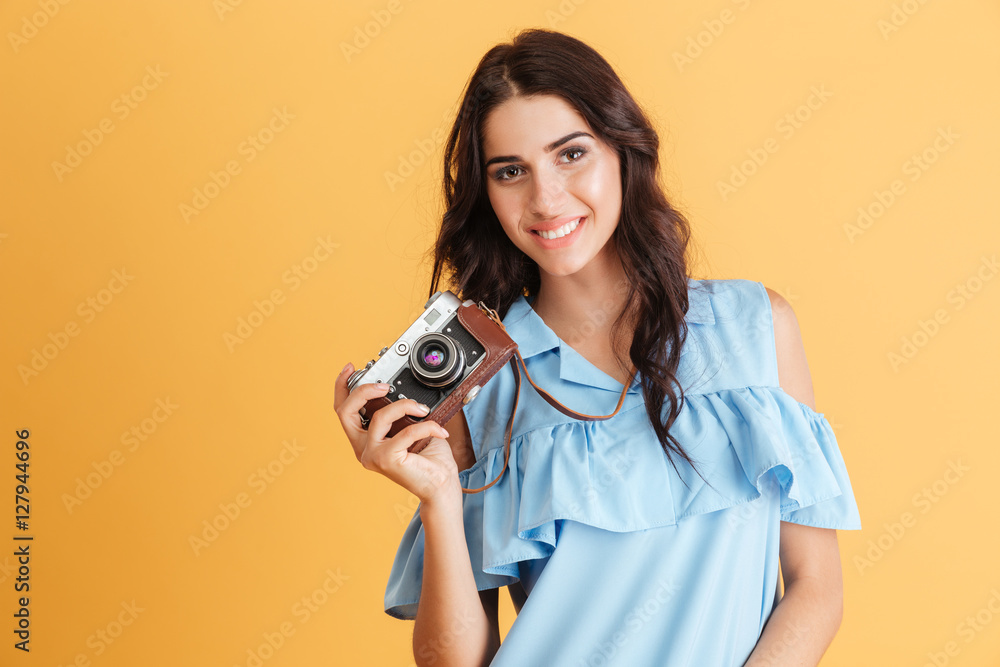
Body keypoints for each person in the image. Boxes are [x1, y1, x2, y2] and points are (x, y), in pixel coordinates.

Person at [335, 28, 862, 667]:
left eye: (571, 154)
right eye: (510, 171)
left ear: (622, 150)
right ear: (488, 194)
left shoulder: (755, 327)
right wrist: (440, 498)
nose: (546, 198)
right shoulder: (483, 385)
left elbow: (816, 588)